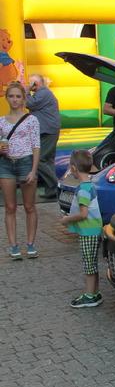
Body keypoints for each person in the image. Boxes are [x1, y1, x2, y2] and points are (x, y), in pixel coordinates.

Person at [0, 81, 40, 259]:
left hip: (26, 162)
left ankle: (30, 244)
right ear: (6, 98)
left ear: (23, 98)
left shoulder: (32, 119)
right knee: (10, 207)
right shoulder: (1, 121)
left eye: (18, 96)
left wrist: (33, 170)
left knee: (29, 206)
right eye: (11, 96)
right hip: (6, 164)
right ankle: (13, 246)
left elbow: (36, 146)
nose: (14, 99)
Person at [61, 149, 104, 308]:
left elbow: (83, 214)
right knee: (92, 263)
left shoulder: (83, 190)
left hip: (88, 232)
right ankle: (95, 292)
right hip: (94, 230)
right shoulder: (89, 185)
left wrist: (67, 219)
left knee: (88, 265)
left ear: (73, 168)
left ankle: (89, 295)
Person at [25, 74, 60, 198]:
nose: (29, 84)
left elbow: (29, 104)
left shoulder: (43, 93)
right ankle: (51, 191)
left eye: (30, 82)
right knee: (48, 160)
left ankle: (56, 185)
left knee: (39, 160)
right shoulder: (43, 93)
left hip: (47, 130)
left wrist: (26, 91)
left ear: (35, 83)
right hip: (49, 130)